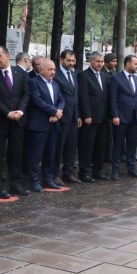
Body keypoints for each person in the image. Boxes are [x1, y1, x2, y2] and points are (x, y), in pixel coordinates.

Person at [0, 46, 30, 197]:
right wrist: (7, 113)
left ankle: (16, 183)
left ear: (7, 55)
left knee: (16, 153)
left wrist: (21, 111)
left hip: (18, 120)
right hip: (0, 120)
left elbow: (26, 93)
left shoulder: (20, 73)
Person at [24, 59, 65, 192]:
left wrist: (58, 112)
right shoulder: (34, 83)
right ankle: (34, 181)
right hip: (39, 124)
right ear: (41, 70)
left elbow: (61, 100)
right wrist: (54, 111)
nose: (53, 72)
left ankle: (48, 179)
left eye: (54, 69)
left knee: (50, 154)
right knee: (35, 155)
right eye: (49, 69)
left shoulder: (55, 84)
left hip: (53, 124)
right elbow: (37, 101)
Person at [77, 51, 111, 182]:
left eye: (102, 61)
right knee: (87, 145)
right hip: (90, 117)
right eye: (98, 61)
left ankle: (98, 171)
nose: (100, 64)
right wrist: (86, 114)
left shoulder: (104, 76)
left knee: (101, 145)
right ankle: (84, 172)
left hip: (103, 117)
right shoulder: (84, 75)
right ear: (91, 61)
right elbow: (83, 97)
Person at [109, 55, 137, 179]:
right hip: (121, 117)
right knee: (118, 144)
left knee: (132, 144)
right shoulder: (116, 78)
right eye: (135, 64)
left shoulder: (136, 79)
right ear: (127, 64)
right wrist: (115, 115)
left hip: (134, 118)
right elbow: (112, 99)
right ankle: (115, 170)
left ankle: (131, 168)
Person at [54, 50, 82, 184]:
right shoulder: (55, 74)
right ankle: (54, 174)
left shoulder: (75, 73)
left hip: (73, 117)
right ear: (61, 60)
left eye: (73, 61)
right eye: (68, 61)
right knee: (58, 146)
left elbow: (76, 96)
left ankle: (68, 173)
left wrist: (78, 115)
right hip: (60, 116)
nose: (71, 63)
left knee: (71, 147)